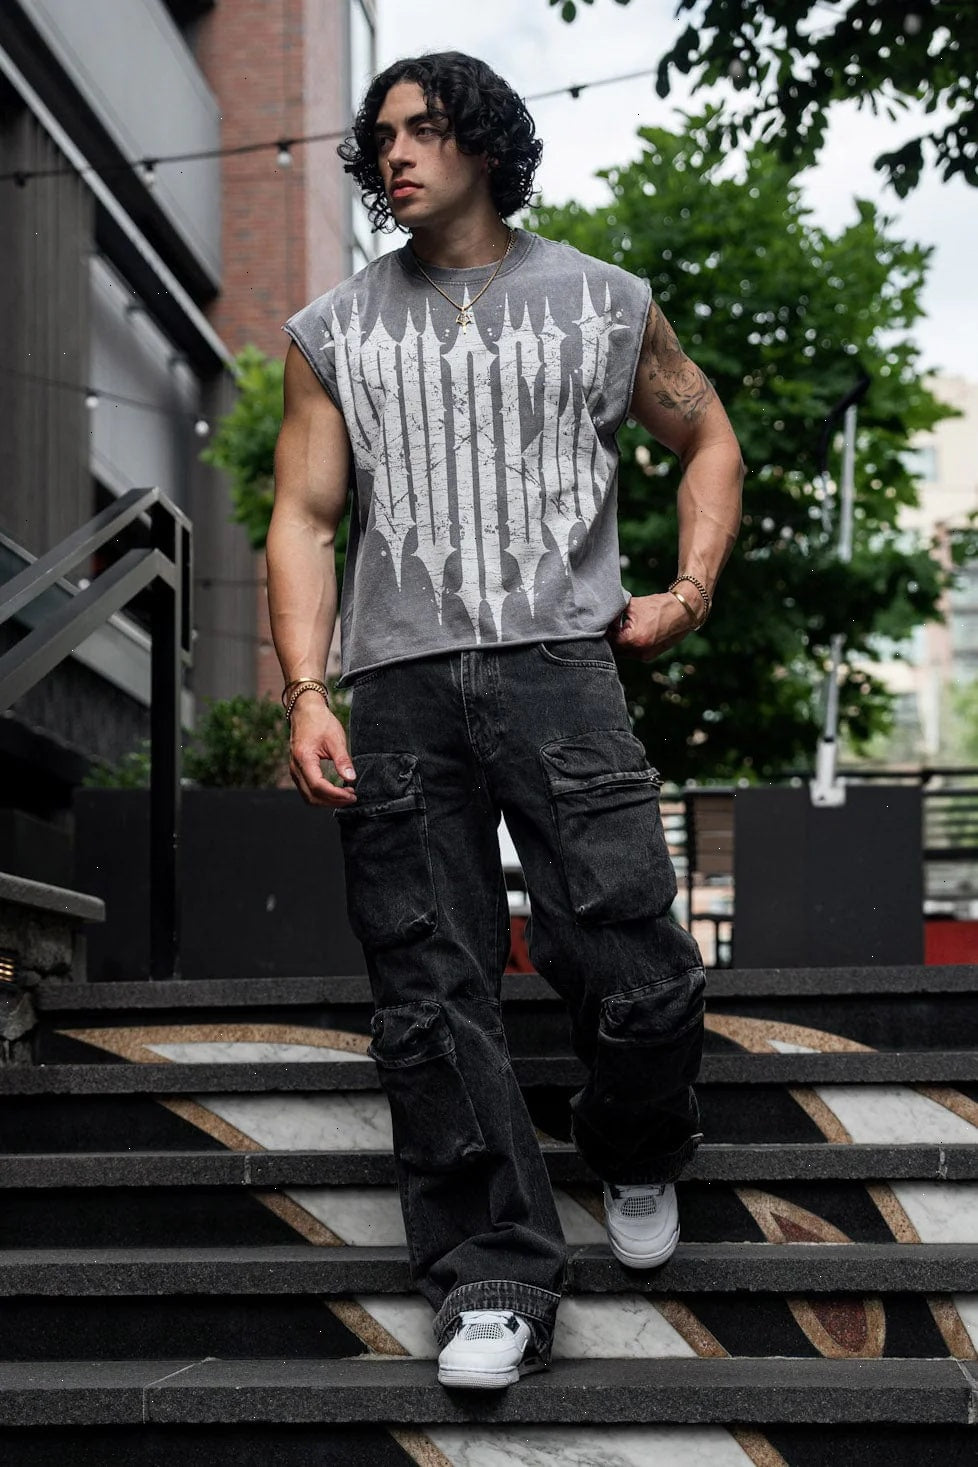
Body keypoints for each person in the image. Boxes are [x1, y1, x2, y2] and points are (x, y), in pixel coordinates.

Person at [268, 51, 743, 1391]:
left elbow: (708, 440)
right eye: (381, 137)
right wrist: (306, 689)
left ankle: (636, 1142)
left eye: (424, 129)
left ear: (484, 143)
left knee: (637, 961)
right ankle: (491, 1276)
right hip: (397, 688)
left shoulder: (603, 300)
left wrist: (688, 592)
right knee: (428, 989)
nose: (397, 154)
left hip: (560, 671)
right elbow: (303, 516)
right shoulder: (330, 331)